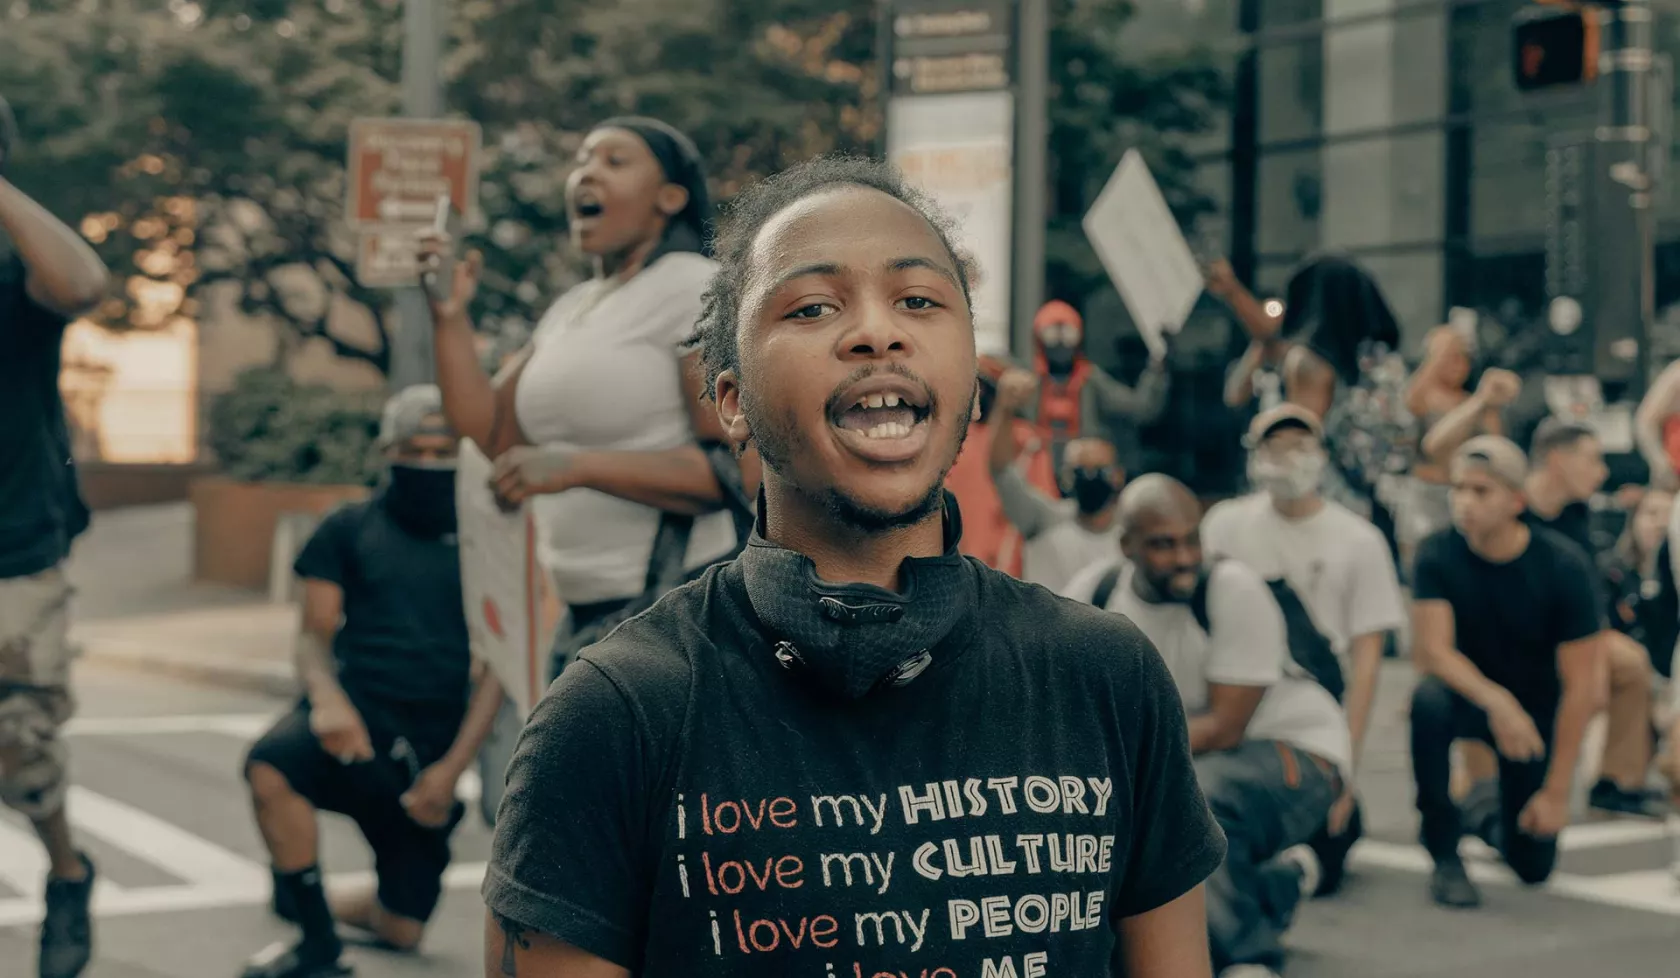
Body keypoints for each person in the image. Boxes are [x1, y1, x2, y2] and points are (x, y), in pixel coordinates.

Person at [482, 156, 1227, 978]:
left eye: (918, 299)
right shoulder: (614, 715)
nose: (879, 332)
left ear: (972, 386)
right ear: (729, 401)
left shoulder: (1107, 678)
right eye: (812, 306)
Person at [418, 117, 754, 818]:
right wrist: (449, 318)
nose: (586, 174)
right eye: (580, 160)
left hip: (675, 617)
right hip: (581, 618)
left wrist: (574, 466)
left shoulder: (691, 285)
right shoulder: (572, 308)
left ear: (667, 197)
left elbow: (735, 471)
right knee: (584, 847)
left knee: (609, 846)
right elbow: (492, 430)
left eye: (613, 160)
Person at [239, 387, 506, 978]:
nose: (430, 465)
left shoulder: (485, 539)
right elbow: (312, 635)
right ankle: (316, 946)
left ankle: (302, 897)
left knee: (402, 931)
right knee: (269, 766)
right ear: (387, 451)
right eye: (415, 450)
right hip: (356, 724)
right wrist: (327, 701)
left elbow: (498, 668)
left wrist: (452, 770)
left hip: (427, 754)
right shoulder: (347, 528)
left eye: (445, 453)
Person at [1063, 475, 1346, 978]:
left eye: (1192, 538)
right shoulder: (1093, 595)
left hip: (1300, 751)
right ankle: (1277, 885)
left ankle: (1247, 959)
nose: (1184, 556)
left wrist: (1118, 768)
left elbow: (1224, 727)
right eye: (1163, 544)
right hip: (1187, 760)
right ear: (1126, 545)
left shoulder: (1232, 589)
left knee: (1196, 799)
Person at [1201, 404, 1407, 895]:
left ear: (1321, 455)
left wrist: (1347, 769)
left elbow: (1367, 662)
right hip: (1237, 702)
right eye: (1274, 446)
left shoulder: (1360, 540)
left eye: (1300, 446)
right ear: (1254, 457)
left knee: (1333, 845)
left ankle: (1294, 867)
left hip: (1314, 719)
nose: (1287, 458)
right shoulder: (1225, 525)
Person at [0, 94, 112, 978]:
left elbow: (81, 285)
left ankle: (68, 872)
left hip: (13, 544)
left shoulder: (16, 262)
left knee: (18, 741)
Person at [1408, 436, 1605, 909]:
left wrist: (1557, 794)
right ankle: (1443, 848)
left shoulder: (1564, 566)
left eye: (1481, 491)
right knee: (1427, 701)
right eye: (1459, 489)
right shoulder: (1436, 553)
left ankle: (1481, 809)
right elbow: (1434, 652)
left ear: (1516, 500)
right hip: (1472, 698)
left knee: (1532, 865)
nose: (1465, 502)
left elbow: (1582, 688)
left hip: (1533, 715)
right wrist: (1497, 701)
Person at [1519, 419, 1659, 816]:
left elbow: (1590, 598)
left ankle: (1617, 781)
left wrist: (1594, 661)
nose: (1602, 472)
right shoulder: (1513, 506)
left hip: (1571, 634)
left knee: (1630, 662)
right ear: (1558, 460)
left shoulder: (1576, 515)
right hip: (1513, 630)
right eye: (1592, 459)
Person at [984, 366, 1124, 592]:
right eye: (1079, 471)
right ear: (1066, 476)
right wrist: (1005, 409)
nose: (1089, 478)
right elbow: (1002, 471)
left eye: (1098, 470)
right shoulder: (1043, 521)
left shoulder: (1129, 535)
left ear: (1118, 476)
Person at [941, 356, 1058, 576]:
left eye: (983, 386)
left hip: (1010, 567)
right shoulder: (950, 438)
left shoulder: (1026, 440)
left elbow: (1041, 508)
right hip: (957, 563)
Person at [1030, 299, 1168, 472]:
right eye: (1052, 335)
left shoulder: (1089, 379)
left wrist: (1156, 368)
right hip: (1038, 474)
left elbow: (1141, 407)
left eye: (1067, 335)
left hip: (1085, 475)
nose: (1060, 345)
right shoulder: (1031, 383)